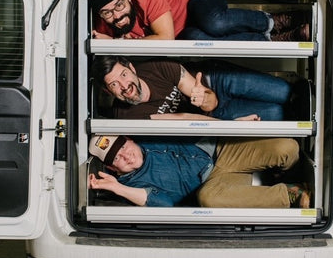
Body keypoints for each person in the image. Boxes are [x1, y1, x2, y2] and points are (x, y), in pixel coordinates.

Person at [88, 134, 311, 208]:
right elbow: (163, 204)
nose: (126, 156)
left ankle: (290, 178)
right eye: (117, 158)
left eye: (123, 147)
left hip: (222, 150)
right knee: (208, 199)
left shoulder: (146, 135)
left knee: (288, 148)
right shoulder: (132, 184)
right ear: (111, 167)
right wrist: (117, 188)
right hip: (211, 183)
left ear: (128, 138)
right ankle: (292, 193)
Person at [85, 0, 310, 42]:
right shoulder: (101, 27)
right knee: (201, 41)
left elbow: (165, 38)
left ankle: (272, 22)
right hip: (184, 30)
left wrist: (116, 43)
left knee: (214, 23)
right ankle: (276, 40)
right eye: (107, 12)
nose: (117, 15)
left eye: (119, 5)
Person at [92, 56, 295, 121]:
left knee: (283, 91)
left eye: (124, 75)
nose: (124, 86)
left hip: (213, 81)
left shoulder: (157, 67)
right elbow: (189, 120)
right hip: (208, 118)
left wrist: (204, 97)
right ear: (108, 92)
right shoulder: (128, 117)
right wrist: (229, 125)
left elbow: (209, 98)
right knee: (275, 113)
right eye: (114, 84)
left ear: (132, 69)